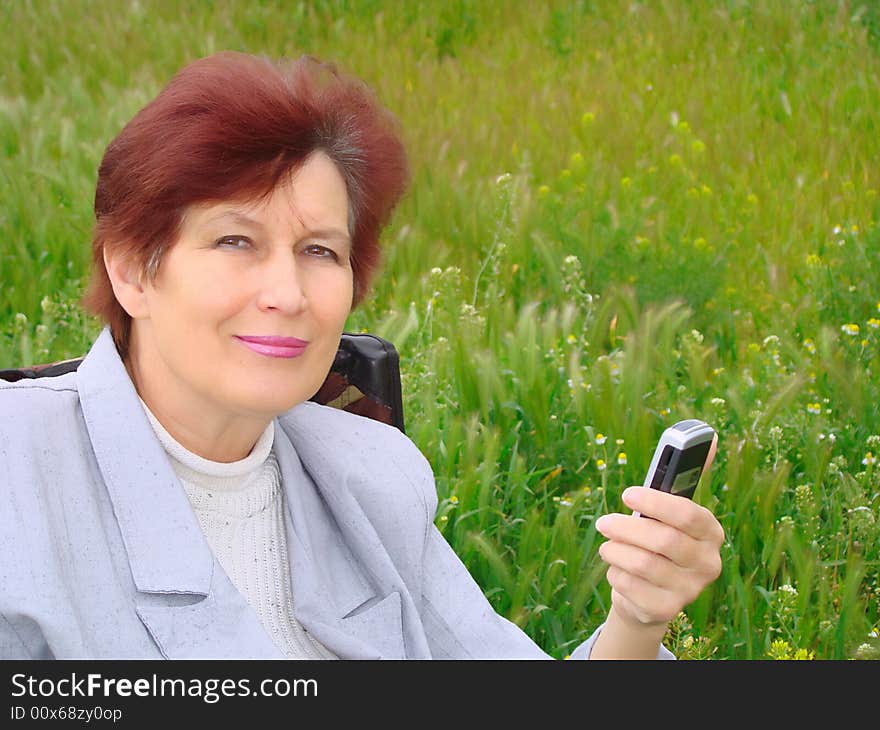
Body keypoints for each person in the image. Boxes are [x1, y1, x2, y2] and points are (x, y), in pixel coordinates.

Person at [0, 51, 724, 660]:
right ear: (132, 270)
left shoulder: (369, 476)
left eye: (319, 250)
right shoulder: (18, 476)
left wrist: (636, 617)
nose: (287, 293)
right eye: (235, 241)